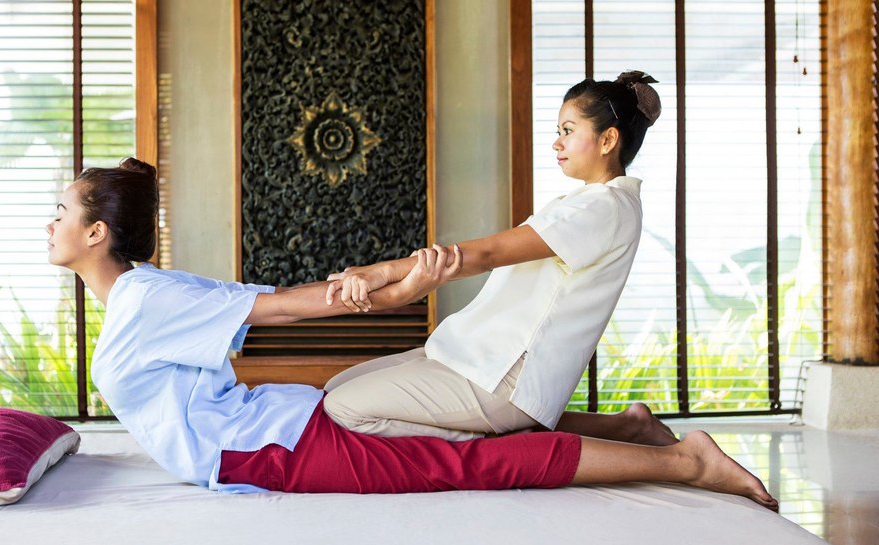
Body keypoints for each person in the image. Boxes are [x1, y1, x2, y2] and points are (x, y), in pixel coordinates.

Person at [44, 156, 778, 511]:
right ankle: (632, 428)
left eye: (61, 212)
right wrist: (376, 288)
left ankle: (688, 466)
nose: (51, 224)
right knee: (459, 445)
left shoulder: (142, 296)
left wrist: (372, 289)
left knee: (467, 463)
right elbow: (261, 301)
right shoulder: (143, 297)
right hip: (270, 435)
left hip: (274, 446)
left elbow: (278, 308)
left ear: (97, 231)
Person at [321, 71, 674, 447]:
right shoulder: (592, 203)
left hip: (507, 378)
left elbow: (487, 254)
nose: (557, 143)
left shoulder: (603, 207)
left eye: (568, 130)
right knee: (335, 388)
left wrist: (379, 272)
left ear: (607, 140)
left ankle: (502, 442)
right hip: (478, 354)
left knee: (344, 409)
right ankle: (624, 427)